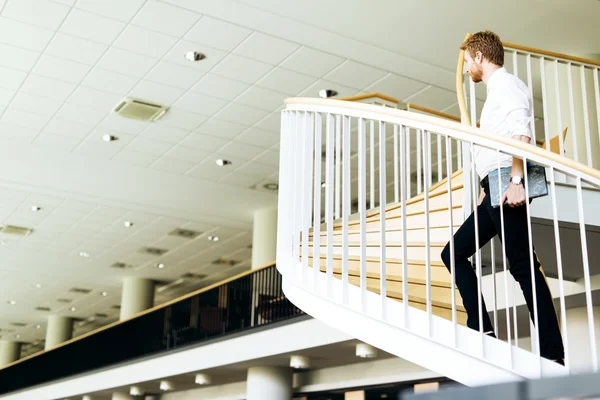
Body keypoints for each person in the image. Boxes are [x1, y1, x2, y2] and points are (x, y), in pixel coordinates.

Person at [441, 30, 564, 365]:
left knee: (523, 266)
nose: (467, 69)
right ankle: (482, 329)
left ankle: (553, 356)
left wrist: (516, 181)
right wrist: (489, 184)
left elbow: (520, 133)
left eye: (468, 61)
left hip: (507, 185)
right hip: (493, 189)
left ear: (479, 56)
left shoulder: (507, 85)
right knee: (453, 252)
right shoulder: (496, 91)